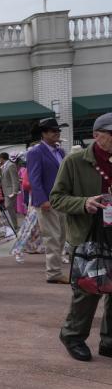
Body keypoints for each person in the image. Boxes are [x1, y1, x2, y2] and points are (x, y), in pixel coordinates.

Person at [50, 113, 112, 361]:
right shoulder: (75, 162)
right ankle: (72, 335)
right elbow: (56, 198)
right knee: (88, 288)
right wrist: (83, 203)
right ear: (96, 136)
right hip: (88, 234)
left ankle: (109, 340)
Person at [27, 117, 70, 284]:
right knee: (52, 237)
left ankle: (56, 271)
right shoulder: (35, 152)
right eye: (53, 131)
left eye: (58, 131)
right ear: (43, 134)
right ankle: (54, 273)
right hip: (47, 201)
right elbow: (34, 178)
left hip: (62, 200)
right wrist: (42, 200)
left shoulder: (60, 151)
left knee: (61, 237)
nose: (57, 133)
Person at [0, 152, 20, 228]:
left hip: (11, 191)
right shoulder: (4, 166)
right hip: (6, 191)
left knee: (8, 206)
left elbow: (15, 179)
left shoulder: (11, 165)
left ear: (1, 158)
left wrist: (15, 191)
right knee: (8, 207)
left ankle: (15, 225)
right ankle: (13, 225)